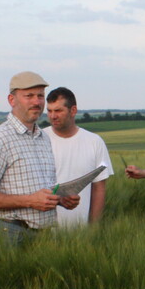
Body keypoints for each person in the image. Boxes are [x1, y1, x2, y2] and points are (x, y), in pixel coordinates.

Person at [0, 71, 79, 246]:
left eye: (40, 96)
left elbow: (39, 190)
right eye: (29, 96)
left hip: (45, 236)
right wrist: (29, 201)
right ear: (11, 100)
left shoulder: (43, 138)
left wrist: (59, 199)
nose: (36, 102)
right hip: (10, 234)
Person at [44, 86, 113, 227]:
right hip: (43, 232)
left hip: (80, 231)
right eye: (49, 111)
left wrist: (93, 228)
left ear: (73, 110)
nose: (53, 116)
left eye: (58, 110)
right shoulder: (39, 139)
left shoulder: (94, 142)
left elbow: (99, 188)